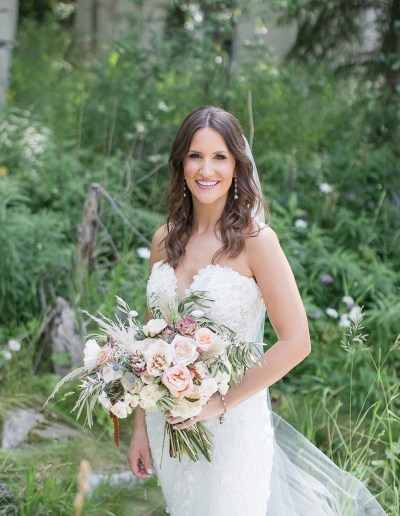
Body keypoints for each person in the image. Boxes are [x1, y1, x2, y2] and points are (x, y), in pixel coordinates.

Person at [127, 106, 386, 515]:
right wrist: (140, 427)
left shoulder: (256, 241)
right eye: (195, 156)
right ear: (180, 163)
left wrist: (218, 403)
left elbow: (297, 342)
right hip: (169, 423)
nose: (206, 169)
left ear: (236, 165)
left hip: (232, 427)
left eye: (219, 156)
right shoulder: (165, 239)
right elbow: (151, 338)